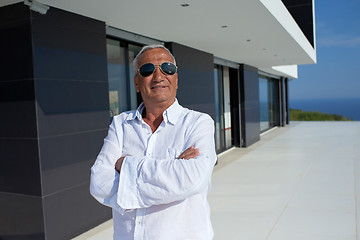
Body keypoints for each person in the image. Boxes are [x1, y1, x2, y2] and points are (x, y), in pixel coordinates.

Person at [90, 44, 217, 240]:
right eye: (148, 70)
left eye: (167, 68)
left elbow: (193, 179)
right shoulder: (120, 124)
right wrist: (173, 171)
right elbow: (99, 183)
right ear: (136, 82)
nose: (158, 76)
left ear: (176, 78)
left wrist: (125, 165)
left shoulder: (198, 123)